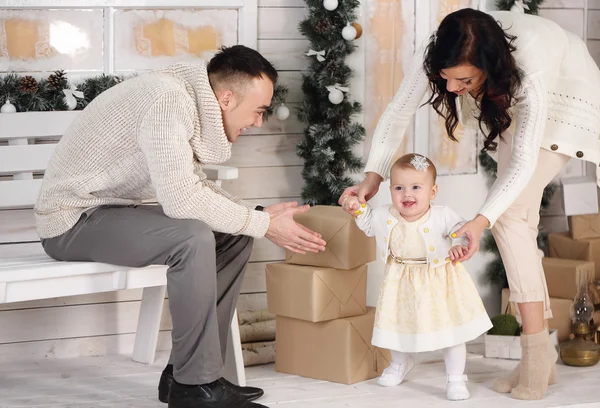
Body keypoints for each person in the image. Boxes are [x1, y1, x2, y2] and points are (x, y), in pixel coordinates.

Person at [34, 45, 327, 408]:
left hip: (109, 213)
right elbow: (181, 201)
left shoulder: (185, 98)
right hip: (70, 220)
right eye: (258, 111)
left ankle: (189, 375)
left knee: (233, 235)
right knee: (191, 237)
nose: (258, 122)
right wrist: (265, 224)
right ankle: (195, 389)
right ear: (226, 98)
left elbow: (192, 185)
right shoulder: (168, 100)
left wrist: (256, 215)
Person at [339, 6, 600, 400]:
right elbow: (396, 114)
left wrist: (479, 222)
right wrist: (374, 175)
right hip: (510, 93)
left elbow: (525, 160)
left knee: (510, 216)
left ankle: (534, 358)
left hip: (567, 100)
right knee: (517, 221)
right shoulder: (438, 52)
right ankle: (541, 355)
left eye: (463, 80)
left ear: (487, 65)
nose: (451, 89)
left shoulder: (531, 73)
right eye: (446, 79)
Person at [345, 153, 491, 401]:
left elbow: (461, 231)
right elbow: (370, 224)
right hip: (401, 281)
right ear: (390, 190)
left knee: (451, 331)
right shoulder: (385, 214)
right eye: (399, 188)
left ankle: (455, 378)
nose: (406, 194)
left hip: (438, 281)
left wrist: (458, 244)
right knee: (397, 324)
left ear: (432, 192)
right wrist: (357, 209)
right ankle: (400, 363)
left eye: (415, 187)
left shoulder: (442, 214)